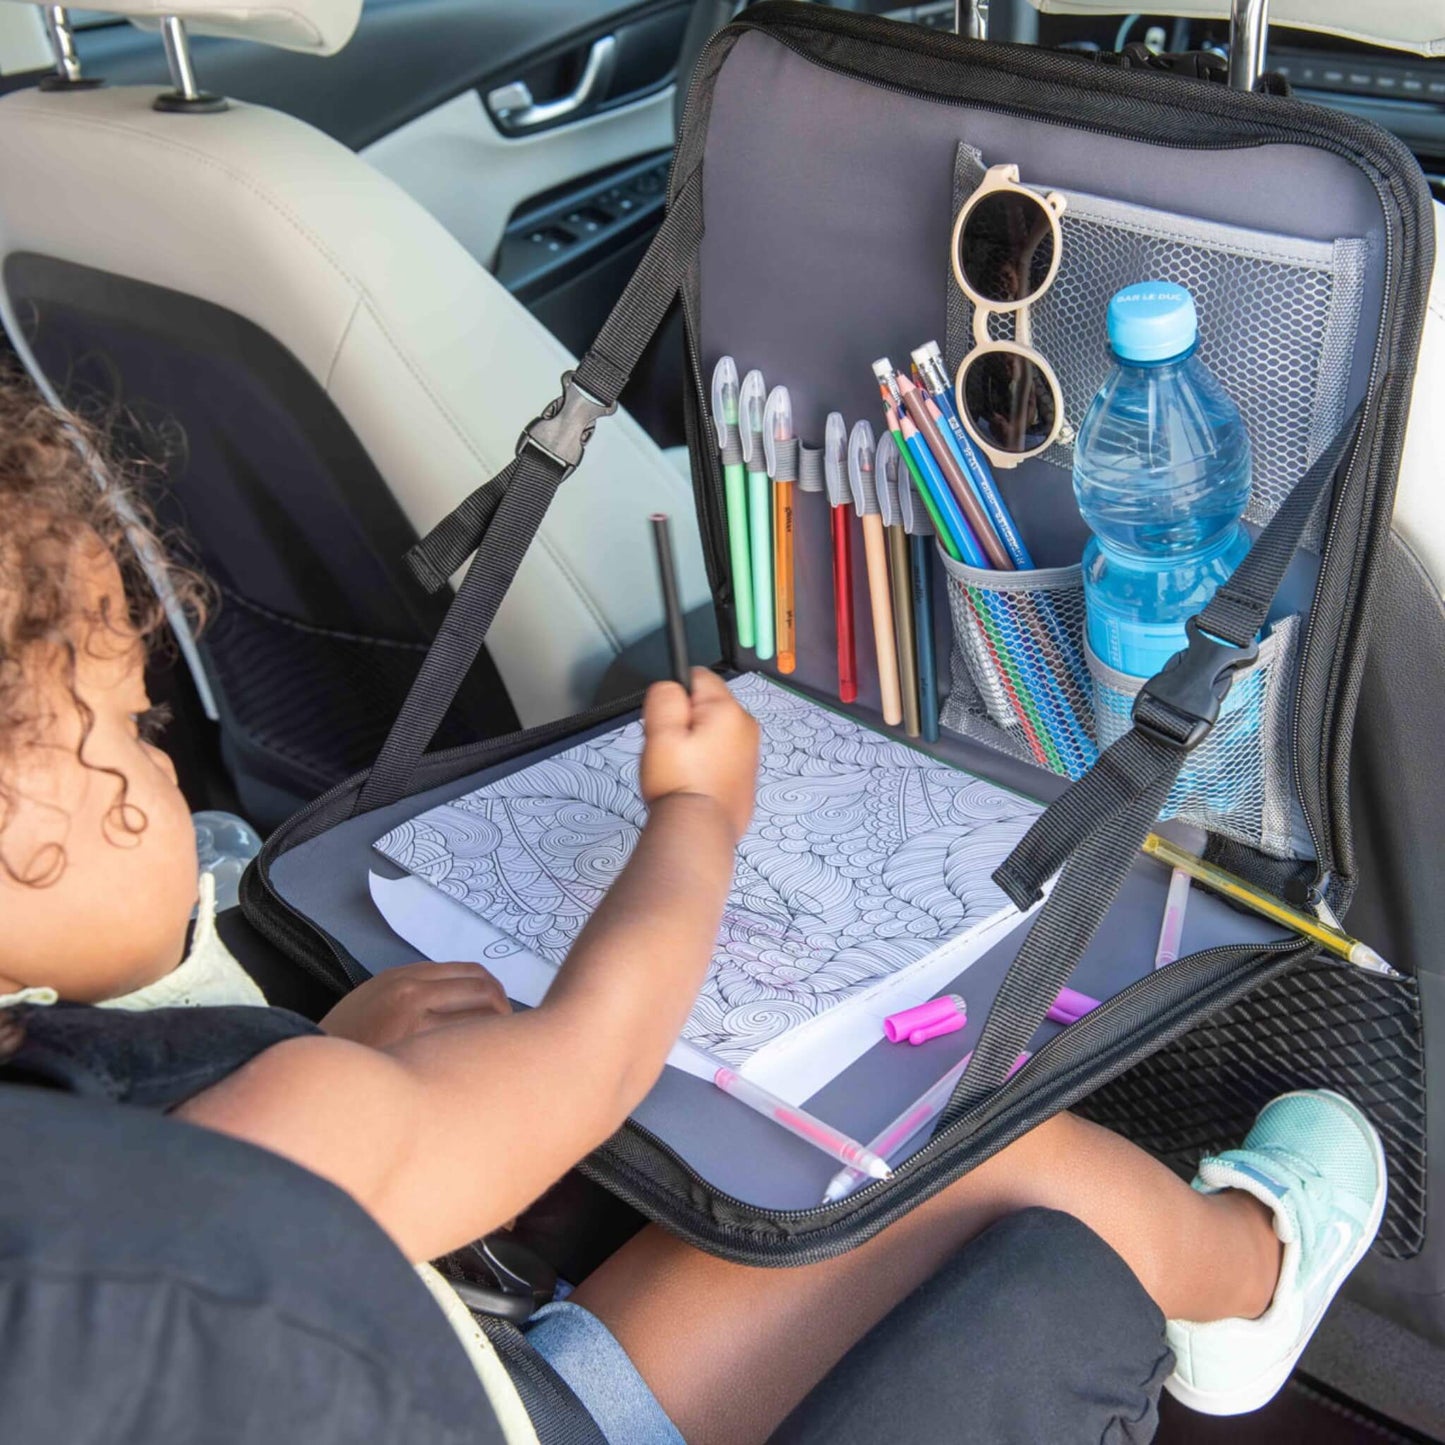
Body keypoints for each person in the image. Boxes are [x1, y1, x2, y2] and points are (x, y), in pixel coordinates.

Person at [0, 377, 1386, 1443]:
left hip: (481, 1380)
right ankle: (1249, 1277)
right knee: (971, 1150)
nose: (163, 770)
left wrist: (345, 1053)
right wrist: (696, 818)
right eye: (129, 732)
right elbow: (590, 1057)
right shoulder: (233, 1170)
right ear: (16, 839)